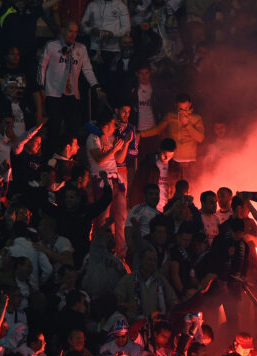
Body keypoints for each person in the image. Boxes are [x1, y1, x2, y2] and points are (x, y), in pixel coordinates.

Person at [38, 20, 104, 152]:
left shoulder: (81, 48)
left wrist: (96, 86)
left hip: (72, 94)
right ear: (63, 30)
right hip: (54, 93)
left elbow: (87, 70)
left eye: (75, 32)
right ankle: (52, 158)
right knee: (54, 128)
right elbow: (42, 66)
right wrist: (41, 87)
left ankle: (69, 156)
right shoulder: (52, 46)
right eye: (70, 31)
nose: (73, 34)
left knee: (72, 128)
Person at [86, 110, 131, 259]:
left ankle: (120, 253)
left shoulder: (109, 138)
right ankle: (101, 252)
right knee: (103, 219)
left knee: (120, 216)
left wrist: (125, 145)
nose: (115, 127)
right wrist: (113, 149)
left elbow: (118, 159)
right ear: (105, 126)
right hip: (101, 181)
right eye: (112, 124)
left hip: (115, 180)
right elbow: (99, 159)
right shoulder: (93, 138)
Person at [139, 93, 204, 182]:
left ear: (190, 105)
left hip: (190, 163)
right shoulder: (170, 117)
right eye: (180, 108)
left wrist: (187, 124)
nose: (183, 111)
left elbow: (200, 138)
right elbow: (158, 130)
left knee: (191, 189)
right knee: (172, 189)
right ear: (175, 105)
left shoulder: (196, 119)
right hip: (173, 161)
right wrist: (141, 134)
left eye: (185, 108)